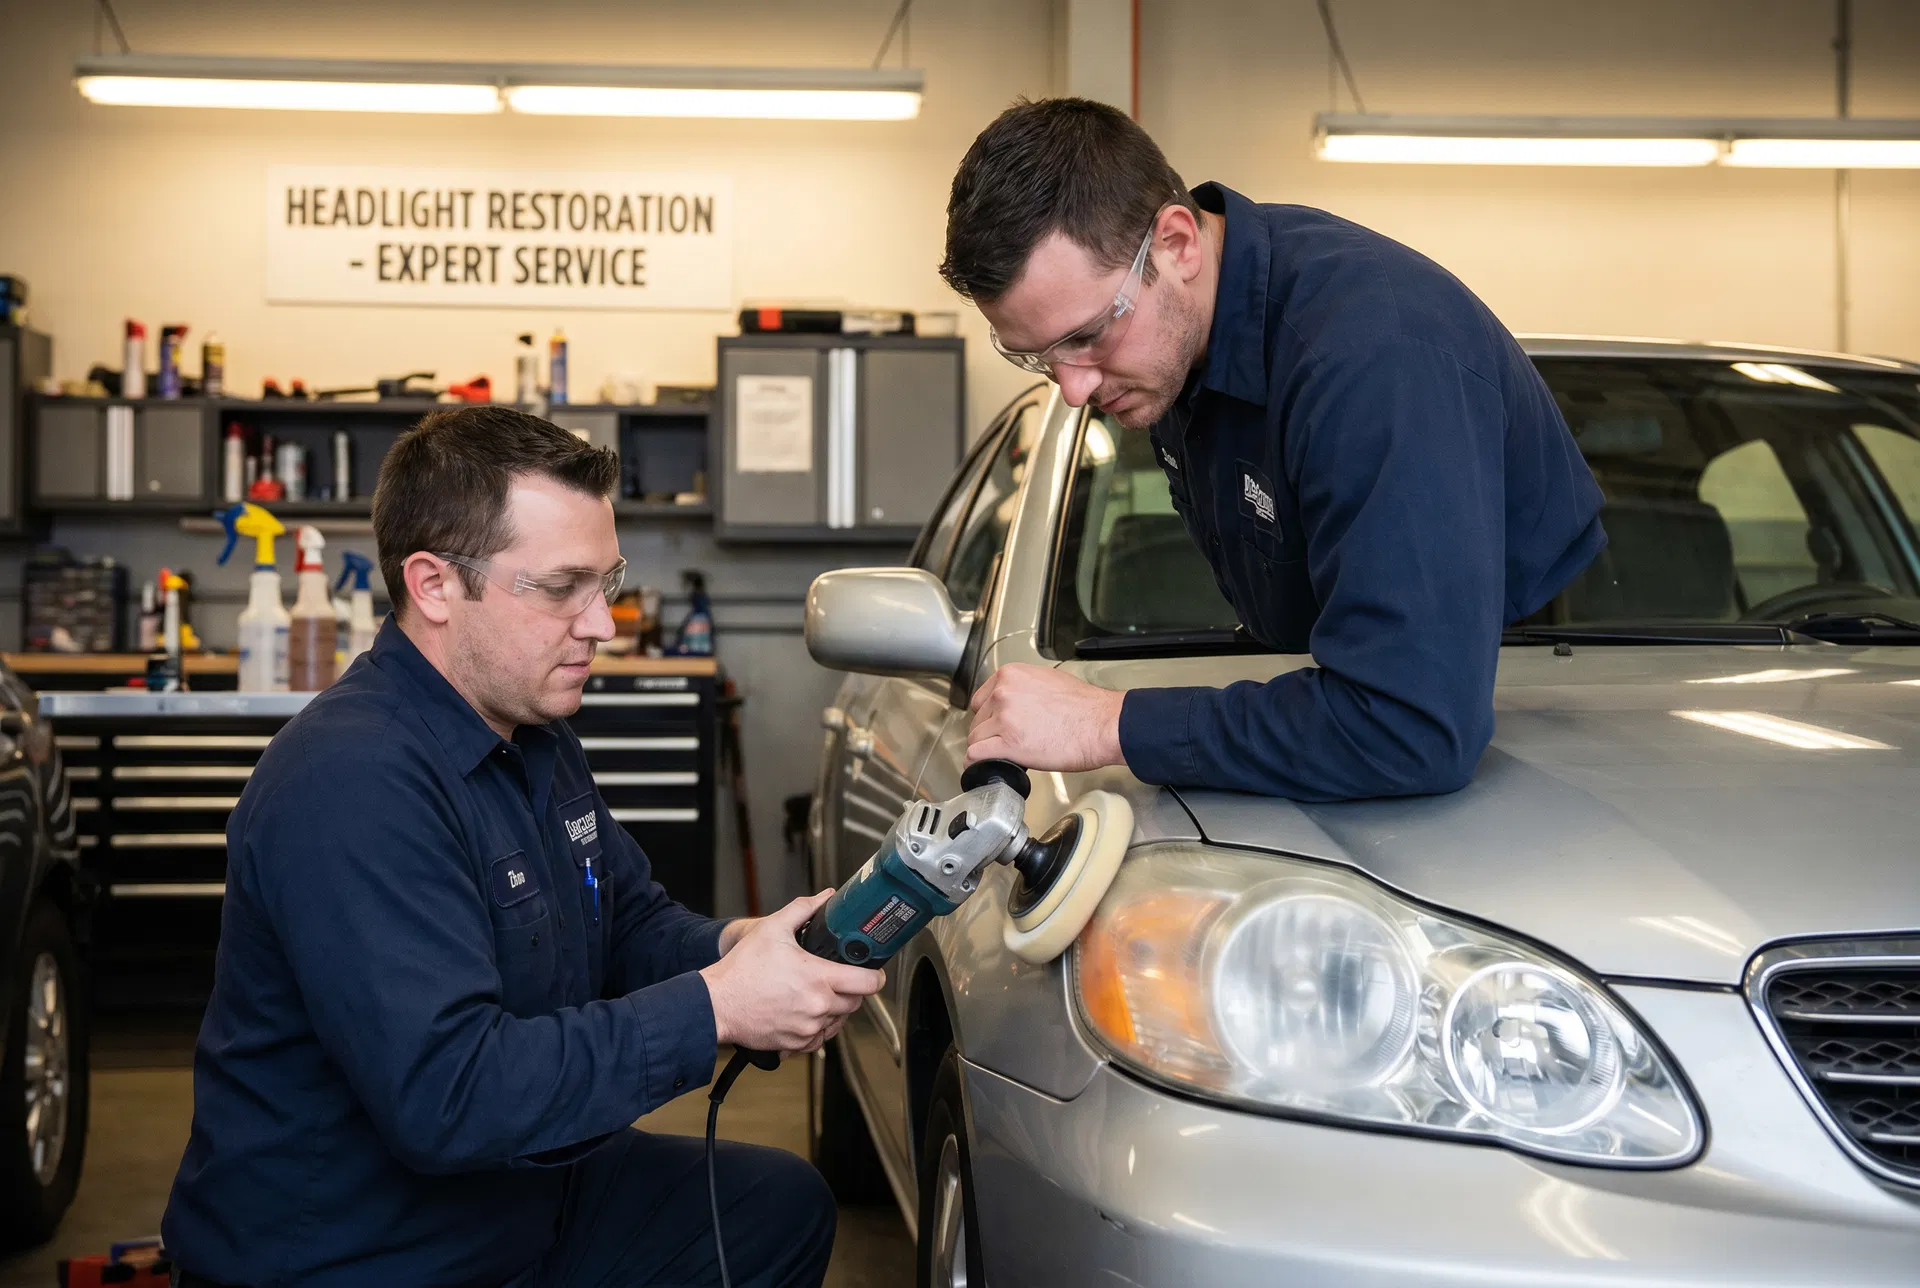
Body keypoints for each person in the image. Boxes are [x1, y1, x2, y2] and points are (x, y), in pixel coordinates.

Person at [163, 407, 878, 1287]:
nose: (602, 624)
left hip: (515, 1201)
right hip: (362, 1252)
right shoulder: (350, 779)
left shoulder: (534, 732)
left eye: (606, 582)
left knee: (775, 1206)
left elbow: (625, 924)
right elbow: (450, 1095)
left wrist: (744, 948)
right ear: (433, 585)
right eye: (561, 587)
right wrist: (718, 1008)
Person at [944, 98, 1605, 801]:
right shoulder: (1175, 348)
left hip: (1550, 748)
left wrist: (1110, 724)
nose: (1074, 389)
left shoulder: (1374, 363)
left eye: (1087, 335)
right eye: (1038, 357)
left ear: (1177, 244)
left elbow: (1409, 727)